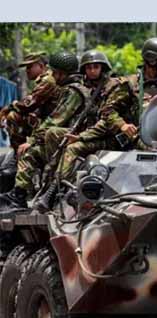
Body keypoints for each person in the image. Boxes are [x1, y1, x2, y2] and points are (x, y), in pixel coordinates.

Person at [55, 38, 157, 190]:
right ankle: (66, 191)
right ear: (152, 61)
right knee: (73, 148)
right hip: (135, 137)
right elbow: (107, 111)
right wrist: (123, 125)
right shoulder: (130, 84)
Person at [0, 51, 89, 211]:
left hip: (68, 139)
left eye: (55, 73)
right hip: (58, 138)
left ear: (62, 74)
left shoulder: (74, 92)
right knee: (29, 154)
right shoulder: (65, 89)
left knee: (46, 135)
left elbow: (56, 119)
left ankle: (49, 190)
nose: (52, 76)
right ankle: (18, 196)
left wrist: (31, 141)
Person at [34, 50, 120, 212]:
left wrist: (81, 137)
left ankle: (58, 188)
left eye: (96, 67)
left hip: (107, 136)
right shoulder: (83, 87)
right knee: (53, 133)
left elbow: (108, 121)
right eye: (88, 68)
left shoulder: (113, 87)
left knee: (73, 147)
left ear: (103, 68)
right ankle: (54, 179)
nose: (92, 71)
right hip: (88, 132)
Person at [0, 52, 61, 151]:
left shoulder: (47, 80)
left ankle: (20, 152)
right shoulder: (42, 80)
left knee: (13, 116)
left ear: (41, 66)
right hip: (44, 118)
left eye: (29, 67)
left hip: (52, 121)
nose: (27, 71)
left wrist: (8, 108)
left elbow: (28, 105)